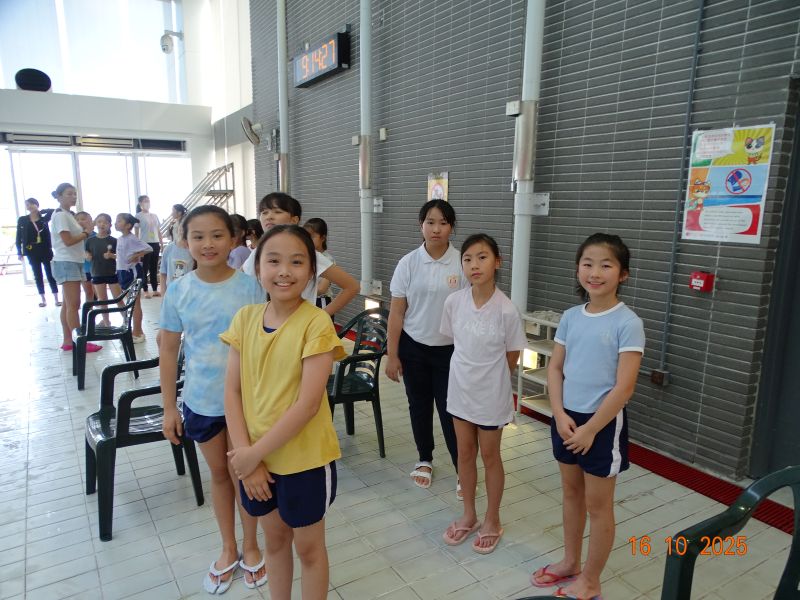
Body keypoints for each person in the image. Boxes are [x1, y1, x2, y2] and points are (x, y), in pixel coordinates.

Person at [222, 224, 345, 600]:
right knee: (274, 541)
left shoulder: (316, 323)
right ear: (257, 267)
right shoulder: (245, 319)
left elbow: (307, 405)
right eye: (273, 261)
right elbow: (232, 391)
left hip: (304, 461)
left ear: (311, 271)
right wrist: (247, 459)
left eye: (297, 262)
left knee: (308, 549)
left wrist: (251, 455)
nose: (284, 271)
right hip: (256, 461)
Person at [159, 206, 268, 595]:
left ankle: (252, 545)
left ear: (234, 238)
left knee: (245, 476)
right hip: (201, 401)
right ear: (184, 241)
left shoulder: (251, 288)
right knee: (220, 475)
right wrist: (169, 407)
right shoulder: (179, 291)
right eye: (198, 236)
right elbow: (168, 350)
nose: (208, 244)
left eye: (217, 235)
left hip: (247, 403)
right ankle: (228, 547)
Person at [529, 233, 644, 599]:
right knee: (571, 493)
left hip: (602, 424)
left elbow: (624, 387)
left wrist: (591, 429)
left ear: (623, 274)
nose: (595, 273)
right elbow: (555, 368)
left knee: (598, 505)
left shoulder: (628, 322)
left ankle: (591, 581)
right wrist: (558, 413)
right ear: (578, 268)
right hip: (566, 419)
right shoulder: (570, 317)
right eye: (588, 264)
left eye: (606, 265)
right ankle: (570, 562)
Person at [440, 234, 525, 554]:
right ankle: (469, 515)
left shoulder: (507, 310)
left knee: (490, 457)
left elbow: (512, 357)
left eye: (482, 257)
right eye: (467, 259)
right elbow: (456, 344)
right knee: (464, 453)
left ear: (497, 262)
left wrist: (491, 380)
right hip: (460, 390)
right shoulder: (454, 302)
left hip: (490, 395)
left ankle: (492, 519)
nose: (474, 265)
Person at [385, 200, 466, 494]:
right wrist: (392, 354)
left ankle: (463, 468)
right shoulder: (408, 263)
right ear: (421, 225)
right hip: (414, 348)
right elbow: (397, 312)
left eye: (443, 223)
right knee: (418, 406)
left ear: (452, 227)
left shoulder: (462, 262)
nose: (436, 229)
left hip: (450, 351)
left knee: (451, 411)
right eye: (430, 222)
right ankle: (424, 459)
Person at [241, 193, 358, 317]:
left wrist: (321, 317)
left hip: (299, 323)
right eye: (264, 212)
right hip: (262, 322)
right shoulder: (258, 252)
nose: (269, 216)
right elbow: (241, 278)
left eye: (277, 211)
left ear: (294, 220)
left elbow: (351, 286)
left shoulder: (306, 253)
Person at [48, 183, 101, 352]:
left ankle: (68, 340)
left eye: (75, 194)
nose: (73, 197)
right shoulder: (60, 216)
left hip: (72, 261)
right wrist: (87, 232)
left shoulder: (67, 215)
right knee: (74, 305)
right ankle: (81, 342)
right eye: (69, 194)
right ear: (59, 196)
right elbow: (68, 241)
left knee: (67, 305)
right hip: (66, 262)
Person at [108, 213, 152, 343]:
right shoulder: (120, 239)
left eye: (119, 221)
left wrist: (137, 255)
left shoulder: (132, 238)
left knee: (134, 303)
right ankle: (134, 330)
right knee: (129, 302)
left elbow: (149, 248)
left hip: (131, 273)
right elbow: (122, 256)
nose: (116, 223)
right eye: (116, 221)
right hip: (122, 272)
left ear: (128, 225)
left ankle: (138, 332)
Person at [15, 197, 60, 307]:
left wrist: (42, 211)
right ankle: (43, 299)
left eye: (32, 204)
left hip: (45, 250)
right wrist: (19, 252)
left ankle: (56, 298)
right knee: (37, 274)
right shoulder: (23, 220)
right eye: (27, 204)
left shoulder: (44, 219)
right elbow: (18, 236)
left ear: (37, 204)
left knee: (50, 274)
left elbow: (53, 210)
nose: (29, 206)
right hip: (31, 251)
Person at [85, 213, 122, 327]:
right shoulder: (90, 240)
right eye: (99, 221)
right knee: (102, 300)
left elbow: (120, 256)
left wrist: (112, 256)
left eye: (105, 222)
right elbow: (86, 253)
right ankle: (106, 323)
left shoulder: (114, 240)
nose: (102, 224)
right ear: (95, 223)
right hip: (96, 273)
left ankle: (126, 320)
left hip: (112, 273)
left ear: (110, 225)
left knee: (118, 299)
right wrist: (87, 256)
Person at [134, 194, 163, 298]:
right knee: (144, 268)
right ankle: (145, 290)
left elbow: (158, 231)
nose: (147, 203)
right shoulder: (138, 216)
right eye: (145, 201)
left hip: (155, 243)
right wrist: (137, 247)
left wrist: (161, 243)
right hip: (144, 244)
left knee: (154, 267)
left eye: (148, 201)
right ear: (140, 203)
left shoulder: (154, 215)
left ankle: (155, 289)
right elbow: (136, 232)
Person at [303, 218, 334, 309]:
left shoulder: (328, 260)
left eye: (312, 237)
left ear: (323, 238)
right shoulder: (305, 256)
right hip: (306, 300)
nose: (307, 240)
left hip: (321, 301)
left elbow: (322, 288)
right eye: (305, 237)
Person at [75, 211, 96, 303]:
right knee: (88, 292)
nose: (80, 221)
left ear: (90, 221)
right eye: (77, 220)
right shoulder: (75, 236)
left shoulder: (95, 236)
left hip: (96, 269)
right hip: (83, 269)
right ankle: (89, 309)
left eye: (83, 219)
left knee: (98, 292)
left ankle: (101, 309)